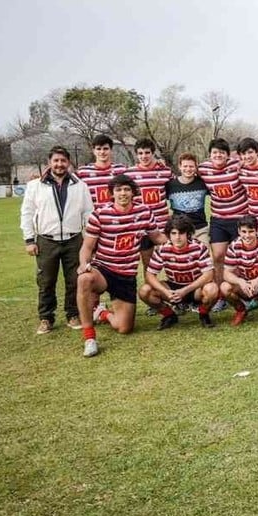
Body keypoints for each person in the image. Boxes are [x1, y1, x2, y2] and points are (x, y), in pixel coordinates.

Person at [76, 174, 166, 357]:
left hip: (126, 275)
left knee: (124, 327)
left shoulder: (144, 212)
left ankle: (102, 313)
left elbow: (156, 237)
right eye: (118, 190)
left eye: (127, 189)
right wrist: (83, 264)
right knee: (84, 279)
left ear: (133, 192)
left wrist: (180, 243)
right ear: (111, 193)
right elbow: (87, 247)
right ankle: (89, 338)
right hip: (104, 269)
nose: (123, 193)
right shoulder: (100, 214)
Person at [20, 146, 93, 334]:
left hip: (73, 239)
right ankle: (46, 318)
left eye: (63, 161)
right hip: (46, 239)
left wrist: (89, 240)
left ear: (68, 162)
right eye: (56, 161)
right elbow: (27, 213)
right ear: (49, 162)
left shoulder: (80, 185)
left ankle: (72, 314)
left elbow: (88, 213)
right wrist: (29, 240)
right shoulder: (35, 186)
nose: (59, 164)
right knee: (46, 281)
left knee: (74, 280)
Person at [138, 214, 219, 330]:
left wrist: (185, 290)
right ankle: (169, 315)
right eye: (173, 233)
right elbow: (150, 275)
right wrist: (165, 291)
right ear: (169, 234)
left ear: (188, 234)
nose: (177, 237)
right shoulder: (162, 249)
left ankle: (204, 314)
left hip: (194, 288)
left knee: (212, 289)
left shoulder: (199, 247)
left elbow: (209, 274)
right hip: (173, 287)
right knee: (144, 291)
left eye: (181, 233)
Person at [198, 138, 249, 311]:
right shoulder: (203, 169)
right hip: (218, 219)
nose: (218, 155)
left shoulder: (236, 165)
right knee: (218, 256)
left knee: (239, 257)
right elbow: (187, 172)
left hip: (239, 218)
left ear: (228, 155)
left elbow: (252, 163)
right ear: (210, 155)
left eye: (222, 153)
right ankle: (220, 295)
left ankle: (243, 293)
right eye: (215, 153)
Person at [125, 138, 173, 273]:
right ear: (136, 154)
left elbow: (172, 193)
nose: (144, 156)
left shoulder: (165, 172)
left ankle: (173, 291)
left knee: (172, 263)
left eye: (147, 153)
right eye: (140, 153)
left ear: (153, 153)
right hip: (143, 226)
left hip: (163, 226)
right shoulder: (130, 174)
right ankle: (151, 293)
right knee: (148, 266)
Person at [166, 152, 210, 245]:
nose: (188, 169)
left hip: (200, 228)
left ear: (196, 167)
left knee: (204, 255)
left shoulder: (202, 183)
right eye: (185, 166)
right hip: (180, 230)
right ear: (179, 166)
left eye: (191, 166)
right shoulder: (170, 185)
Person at [76, 134, 126, 206]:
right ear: (93, 151)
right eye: (98, 149)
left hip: (117, 216)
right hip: (93, 215)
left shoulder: (121, 170)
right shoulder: (82, 173)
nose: (102, 152)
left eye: (105, 148)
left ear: (111, 150)